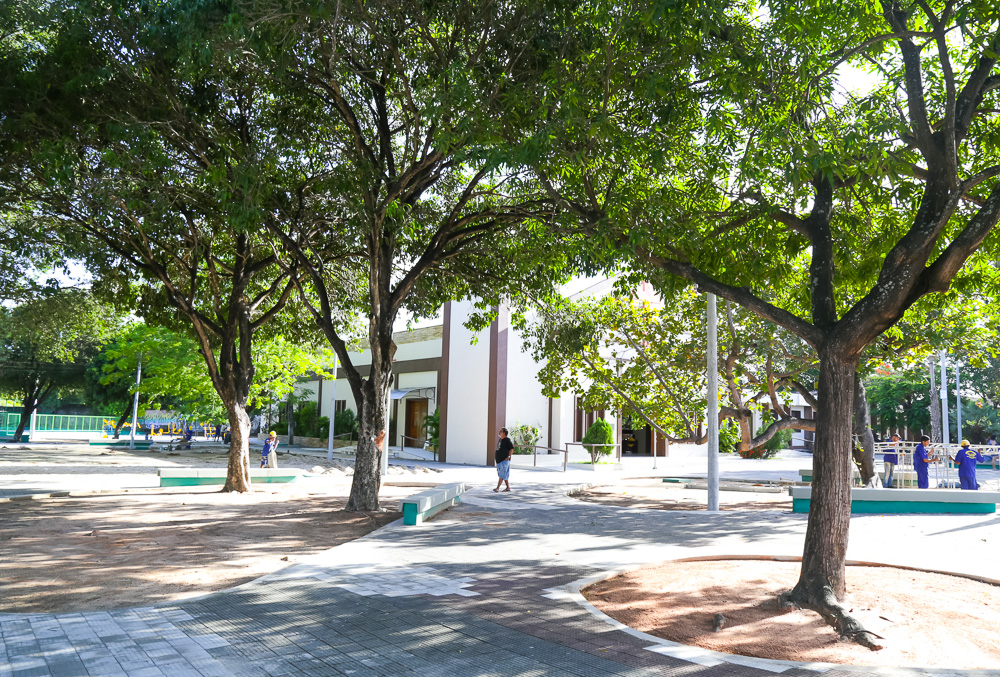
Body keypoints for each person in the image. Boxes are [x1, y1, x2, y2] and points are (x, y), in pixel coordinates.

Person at [494, 427, 513, 493]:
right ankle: (508, 487)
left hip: (504, 460)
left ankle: (497, 488)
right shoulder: (500, 440)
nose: (499, 431)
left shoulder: (507, 440)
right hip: (499, 460)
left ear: (504, 433)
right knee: (504, 474)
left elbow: (511, 449)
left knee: (502, 475)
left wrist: (508, 456)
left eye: (501, 431)